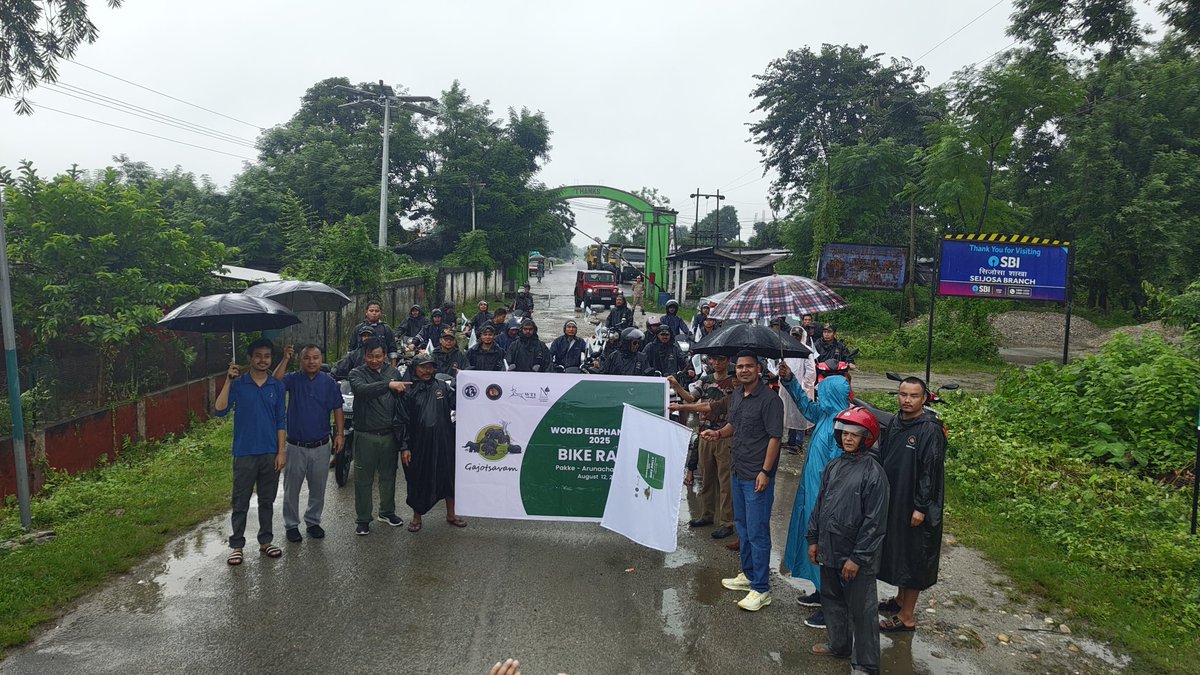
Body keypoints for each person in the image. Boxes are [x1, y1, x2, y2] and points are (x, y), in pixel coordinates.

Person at [807, 407, 888, 675]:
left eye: (855, 434)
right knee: (831, 599)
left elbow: (875, 523)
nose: (848, 439)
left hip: (857, 556)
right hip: (829, 547)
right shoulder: (834, 466)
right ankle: (839, 645)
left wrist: (857, 558)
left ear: (867, 437)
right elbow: (820, 505)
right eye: (844, 433)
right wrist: (813, 539)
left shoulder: (874, 473)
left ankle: (865, 664)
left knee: (863, 611)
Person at [705, 352, 783, 611]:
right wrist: (717, 433)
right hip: (738, 470)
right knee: (744, 527)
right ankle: (748, 574)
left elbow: (774, 438)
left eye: (749, 366)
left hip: (757, 475)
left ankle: (761, 588)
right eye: (739, 366)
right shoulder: (737, 394)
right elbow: (733, 425)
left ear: (759, 368)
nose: (744, 370)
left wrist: (765, 471)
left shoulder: (771, 400)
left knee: (758, 532)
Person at [778, 364, 853, 629]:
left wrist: (829, 500)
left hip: (827, 499)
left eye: (822, 392)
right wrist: (789, 381)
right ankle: (821, 593)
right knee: (812, 543)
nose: (818, 397)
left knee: (826, 547)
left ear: (832, 394)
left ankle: (832, 609)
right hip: (812, 492)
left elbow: (840, 469)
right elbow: (806, 407)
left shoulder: (842, 427)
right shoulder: (826, 415)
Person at [877, 377, 947, 633]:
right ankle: (898, 600)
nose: (906, 400)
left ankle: (907, 616)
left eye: (913, 396)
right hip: (896, 498)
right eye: (903, 394)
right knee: (900, 551)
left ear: (924, 398)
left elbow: (931, 471)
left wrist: (921, 507)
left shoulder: (929, 429)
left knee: (915, 555)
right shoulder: (896, 422)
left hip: (917, 504)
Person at [213, 339, 287, 565]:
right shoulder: (238, 384)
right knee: (241, 500)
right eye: (258, 355)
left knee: (267, 500)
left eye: (267, 356)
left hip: (270, 452)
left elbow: (281, 421)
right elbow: (220, 410)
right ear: (249, 358)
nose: (262, 360)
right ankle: (237, 545)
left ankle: (265, 541)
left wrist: (281, 452)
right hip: (244, 452)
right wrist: (228, 380)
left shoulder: (277, 385)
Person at [272, 344, 344, 543]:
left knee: (318, 488)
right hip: (295, 446)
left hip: (321, 446)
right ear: (300, 360)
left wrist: (339, 434)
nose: (311, 362)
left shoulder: (329, 383)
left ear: (321, 360)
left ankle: (313, 521)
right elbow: (274, 382)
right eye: (307, 358)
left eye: (315, 357)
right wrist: (285, 358)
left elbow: (337, 408)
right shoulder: (293, 379)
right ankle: (291, 524)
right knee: (291, 489)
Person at [394, 353, 464, 532]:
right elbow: (401, 420)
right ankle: (417, 518)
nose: (427, 370)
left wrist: (464, 383)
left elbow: (457, 403)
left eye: (430, 366)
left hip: (444, 442)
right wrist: (405, 447)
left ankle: (451, 514)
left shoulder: (441, 386)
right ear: (414, 368)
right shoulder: (407, 391)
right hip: (419, 445)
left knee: (448, 477)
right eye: (423, 367)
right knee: (417, 479)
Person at [669, 353, 736, 541]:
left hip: (724, 435)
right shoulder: (704, 380)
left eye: (720, 359)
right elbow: (691, 397)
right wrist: (676, 385)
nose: (716, 362)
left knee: (725, 482)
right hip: (705, 434)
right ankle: (707, 514)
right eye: (713, 359)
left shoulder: (734, 383)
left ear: (727, 361)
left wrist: (682, 408)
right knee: (706, 478)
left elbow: (713, 407)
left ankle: (727, 522)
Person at [348, 339, 408, 535]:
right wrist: (389, 384)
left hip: (389, 434)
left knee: (388, 476)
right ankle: (363, 518)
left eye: (379, 356)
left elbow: (401, 401)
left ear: (384, 356)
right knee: (363, 479)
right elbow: (362, 391)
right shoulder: (357, 373)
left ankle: (387, 511)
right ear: (364, 356)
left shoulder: (393, 372)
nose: (375, 360)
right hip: (365, 434)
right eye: (370, 356)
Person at [782, 326, 818, 454]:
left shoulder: (806, 351)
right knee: (790, 414)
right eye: (793, 335)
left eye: (797, 335)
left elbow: (810, 372)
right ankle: (791, 440)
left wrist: (803, 387)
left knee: (801, 414)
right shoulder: (786, 348)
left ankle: (798, 443)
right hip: (788, 388)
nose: (795, 338)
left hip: (801, 388)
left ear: (802, 336)